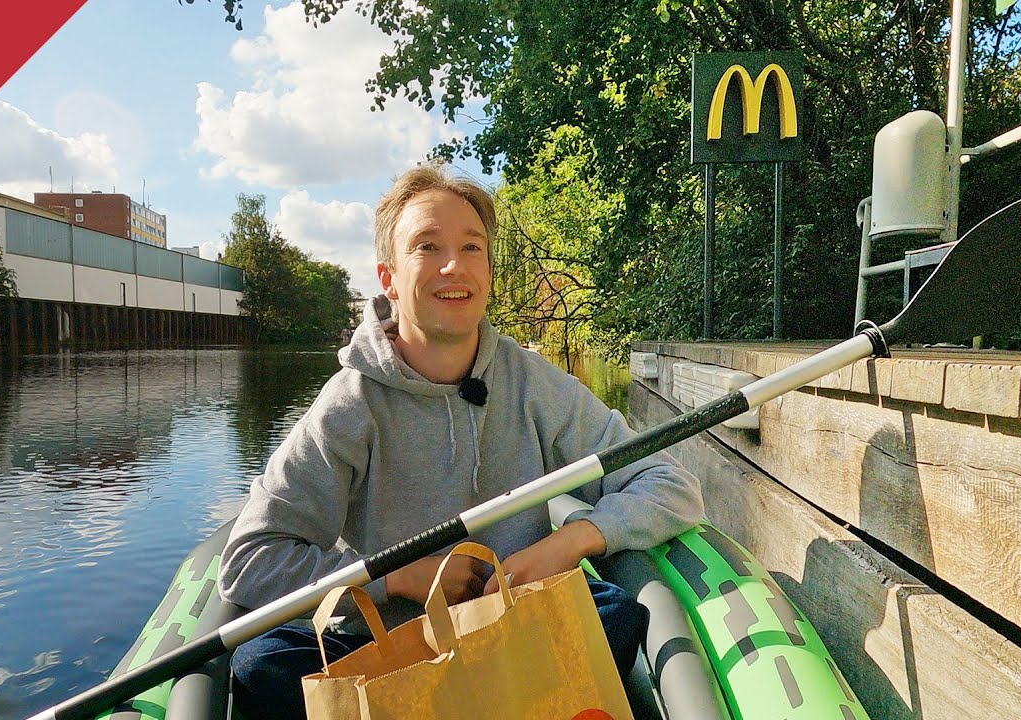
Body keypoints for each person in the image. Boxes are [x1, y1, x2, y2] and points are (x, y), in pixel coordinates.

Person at [218, 164, 704, 719]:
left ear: (490, 271)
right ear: (388, 277)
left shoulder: (532, 383)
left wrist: (563, 546)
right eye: (428, 246)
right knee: (262, 662)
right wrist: (399, 577)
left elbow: (669, 483)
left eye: (472, 247)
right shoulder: (348, 405)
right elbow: (249, 560)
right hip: (387, 655)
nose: (455, 266)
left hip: (508, 636)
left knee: (612, 612)